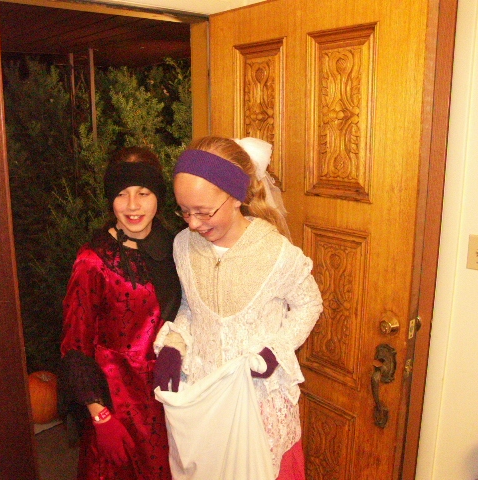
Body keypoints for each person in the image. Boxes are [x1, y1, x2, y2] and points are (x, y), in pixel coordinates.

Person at [153, 136, 323, 480]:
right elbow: (191, 306)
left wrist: (275, 349)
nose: (193, 223)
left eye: (204, 212)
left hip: (257, 403)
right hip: (204, 398)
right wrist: (175, 343)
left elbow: (309, 304)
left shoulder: (275, 253)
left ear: (235, 197)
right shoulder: (183, 245)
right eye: (184, 211)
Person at [58, 146, 181, 480]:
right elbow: (75, 345)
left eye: (143, 193)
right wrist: (100, 417)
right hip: (118, 406)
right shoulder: (93, 260)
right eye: (122, 194)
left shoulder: (175, 247)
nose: (132, 205)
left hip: (170, 401)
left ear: (158, 197)